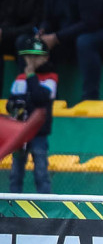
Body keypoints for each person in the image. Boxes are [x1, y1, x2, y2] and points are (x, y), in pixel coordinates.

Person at [6, 36, 56, 194]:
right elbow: (11, 102)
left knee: (41, 173)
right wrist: (14, 106)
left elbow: (41, 98)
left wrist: (31, 76)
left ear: (45, 58)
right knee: (15, 172)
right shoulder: (19, 79)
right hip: (20, 133)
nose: (32, 60)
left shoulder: (51, 78)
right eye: (29, 56)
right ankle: (13, 206)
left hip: (39, 133)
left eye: (36, 56)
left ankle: (45, 208)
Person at [0, 0, 46, 93]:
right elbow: (10, 18)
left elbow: (35, 25)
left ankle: (24, 93)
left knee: (23, 42)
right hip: (15, 34)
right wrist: (2, 31)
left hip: (34, 35)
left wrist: (7, 33)